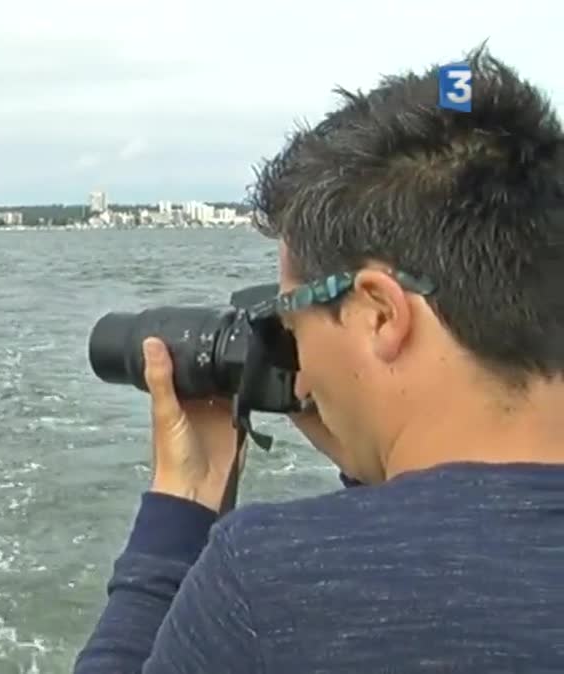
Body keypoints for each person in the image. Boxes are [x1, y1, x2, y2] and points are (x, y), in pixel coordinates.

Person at [74, 46, 564, 673]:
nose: (299, 375)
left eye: (290, 324)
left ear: (379, 315)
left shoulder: (272, 583)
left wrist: (183, 503)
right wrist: (375, 464)